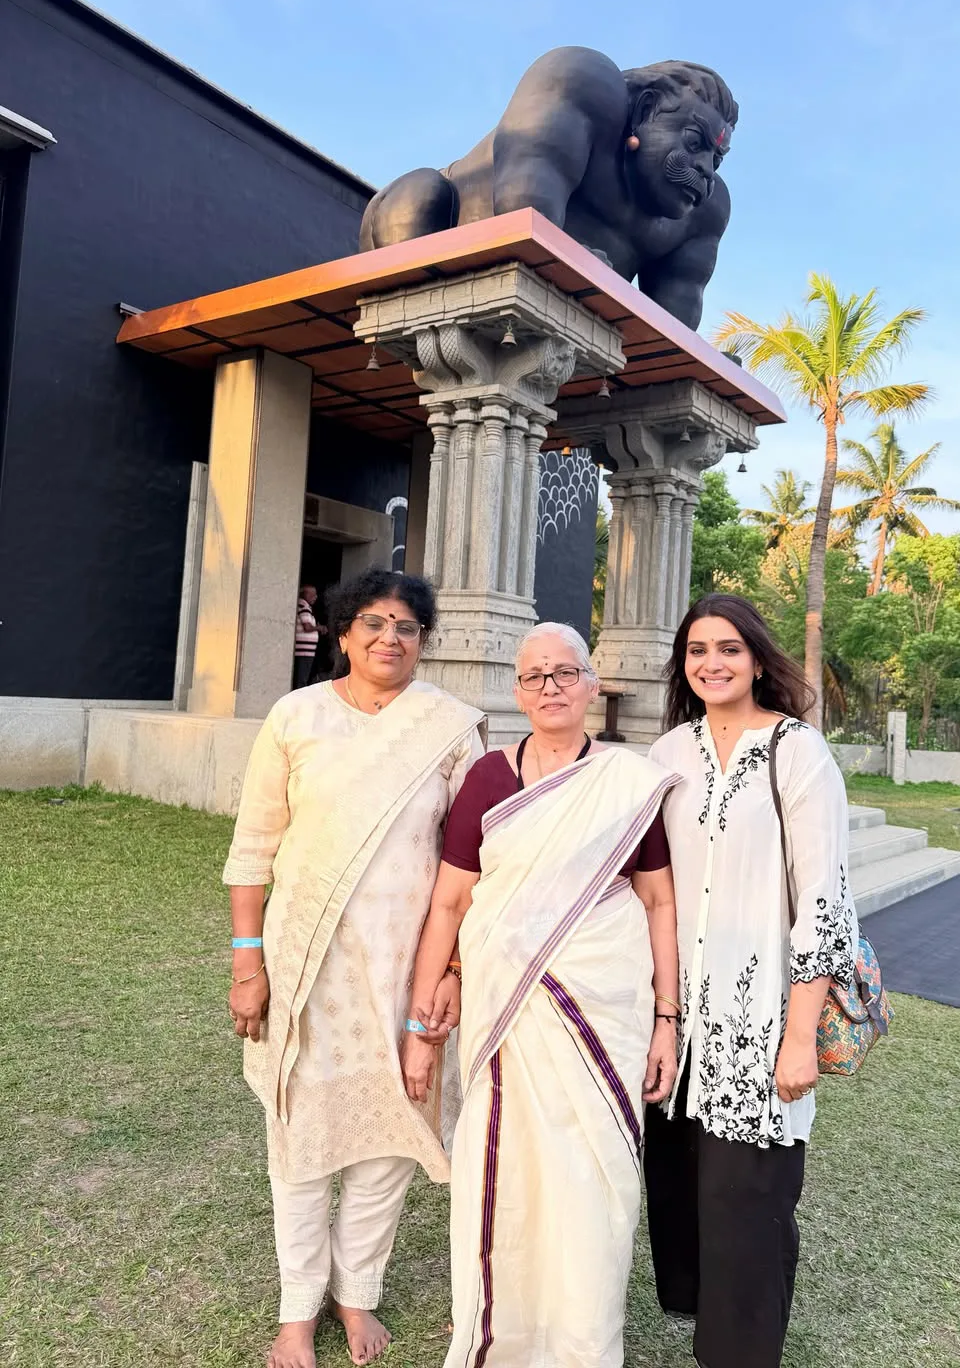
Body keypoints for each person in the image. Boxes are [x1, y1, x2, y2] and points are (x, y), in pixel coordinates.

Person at [401, 623, 681, 1368]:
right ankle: (505, 1339)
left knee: (598, 1180)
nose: (551, 687)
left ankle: (584, 1346)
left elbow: (658, 902)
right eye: (535, 676)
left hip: (606, 1011)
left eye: (566, 672)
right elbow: (452, 904)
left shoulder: (627, 783)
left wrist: (666, 1021)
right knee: (509, 1169)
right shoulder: (488, 780)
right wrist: (423, 1011)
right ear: (518, 691)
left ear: (593, 684)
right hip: (504, 1017)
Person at [224, 569, 485, 1368]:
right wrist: (248, 964)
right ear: (341, 633)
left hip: (407, 966)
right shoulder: (295, 717)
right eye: (371, 623)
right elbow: (253, 846)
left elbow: (475, 858)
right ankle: (297, 1310)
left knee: (388, 1138)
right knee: (299, 1141)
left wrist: (450, 976)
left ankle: (356, 1292)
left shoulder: (450, 727)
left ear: (424, 641)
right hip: (307, 966)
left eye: (407, 626)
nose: (388, 638)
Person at [645, 593, 858, 1368]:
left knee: (749, 1195)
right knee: (677, 1173)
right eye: (697, 650)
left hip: (761, 1007)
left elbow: (825, 905)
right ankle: (691, 1297)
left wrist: (799, 1036)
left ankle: (738, 1349)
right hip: (675, 1008)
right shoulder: (666, 754)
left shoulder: (798, 752)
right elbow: (645, 879)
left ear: (758, 658)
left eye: (728, 648)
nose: (712, 663)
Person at [293, 585, 322, 690]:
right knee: (302, 680)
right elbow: (307, 627)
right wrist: (320, 628)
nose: (316, 597)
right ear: (305, 594)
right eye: (313, 594)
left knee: (302, 678)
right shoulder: (303, 606)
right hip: (304, 651)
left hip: (305, 650)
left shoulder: (303, 606)